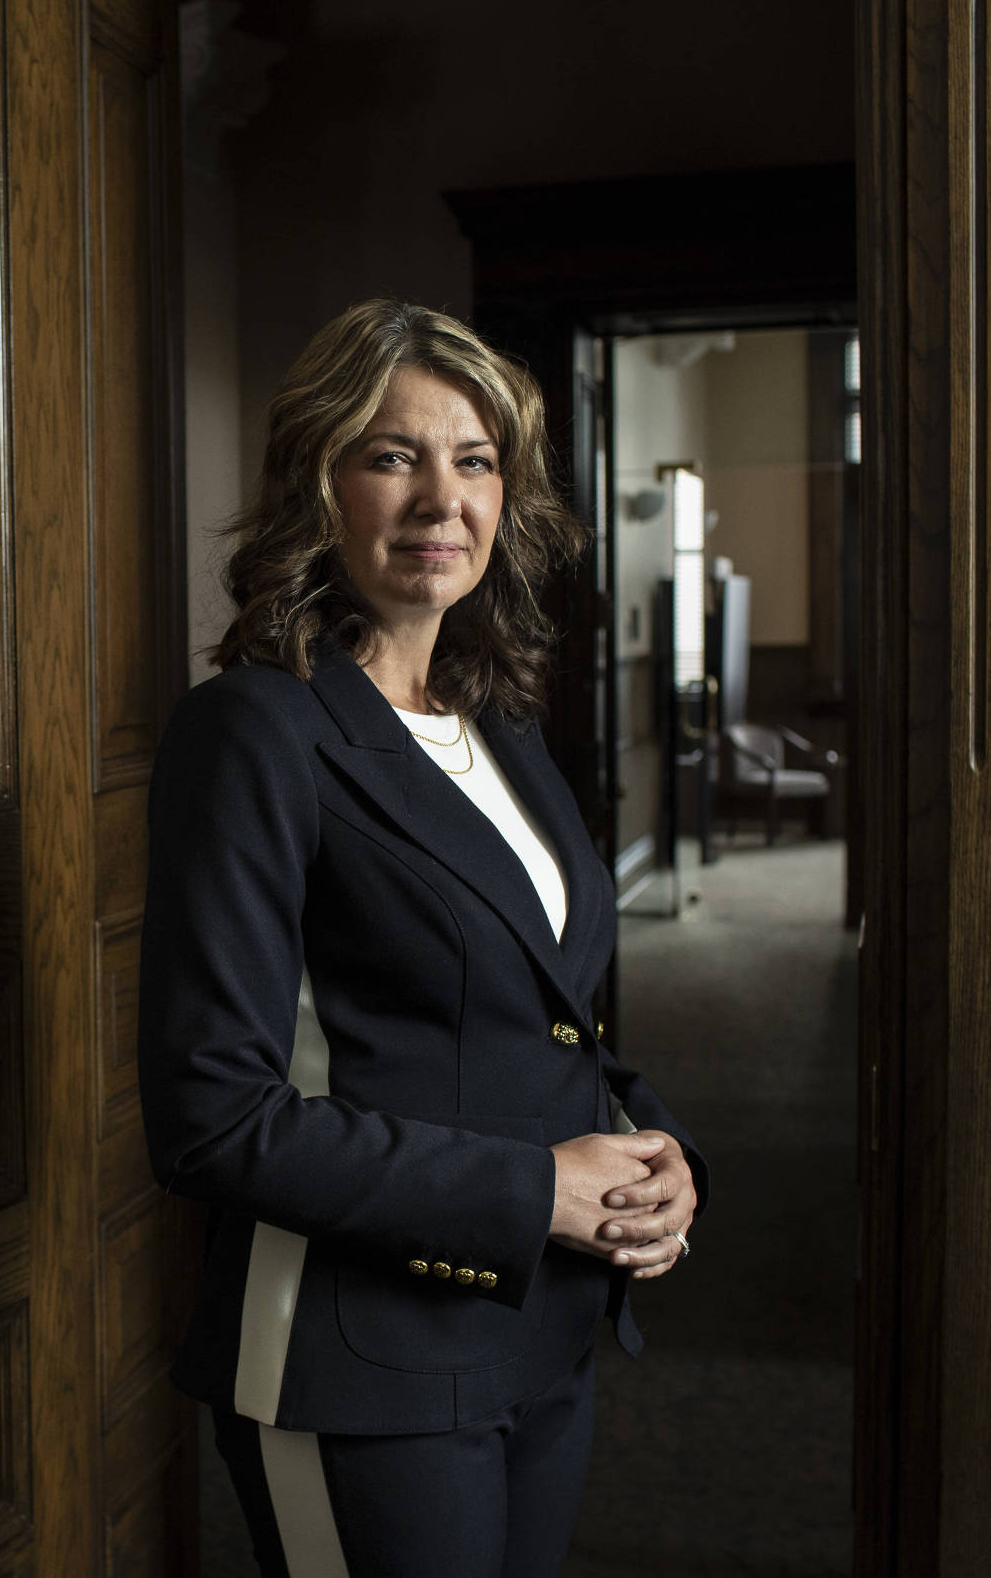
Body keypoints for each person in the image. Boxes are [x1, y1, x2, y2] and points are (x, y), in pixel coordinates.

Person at [137, 299, 708, 1576]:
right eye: (392, 455)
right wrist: (535, 1190)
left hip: (538, 1326)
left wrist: (660, 1153)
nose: (440, 496)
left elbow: (546, 1013)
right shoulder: (253, 732)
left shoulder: (493, 722)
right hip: (359, 1360)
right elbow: (210, 1115)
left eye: (476, 459)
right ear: (317, 483)